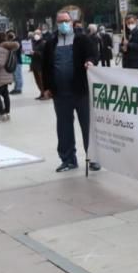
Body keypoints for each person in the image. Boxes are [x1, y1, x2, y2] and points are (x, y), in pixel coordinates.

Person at [41, 11, 98, 172]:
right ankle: (68, 159)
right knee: (64, 127)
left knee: (87, 125)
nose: (63, 24)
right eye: (60, 21)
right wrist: (46, 88)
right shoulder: (50, 43)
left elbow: (93, 55)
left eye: (66, 20)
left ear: (72, 22)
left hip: (81, 91)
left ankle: (93, 158)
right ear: (56, 24)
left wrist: (90, 62)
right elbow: (45, 68)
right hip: (60, 94)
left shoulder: (82, 40)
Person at [0, 31, 20, 123]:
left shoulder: (1, 49)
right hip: (7, 74)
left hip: (0, 75)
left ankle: (2, 114)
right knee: (5, 94)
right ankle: (7, 114)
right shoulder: (8, 48)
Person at [29, 31, 48, 99]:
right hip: (34, 64)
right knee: (37, 81)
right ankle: (41, 93)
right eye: (35, 34)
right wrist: (28, 52)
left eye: (38, 34)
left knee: (42, 81)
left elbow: (44, 55)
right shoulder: (33, 43)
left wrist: (35, 53)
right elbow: (31, 54)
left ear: (41, 35)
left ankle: (46, 94)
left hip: (41, 65)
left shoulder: (43, 43)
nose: (36, 35)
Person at [6, 31, 24, 95]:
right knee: (15, 76)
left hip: (17, 61)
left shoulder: (17, 42)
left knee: (18, 75)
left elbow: (16, 49)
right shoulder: (13, 41)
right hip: (14, 61)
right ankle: (16, 88)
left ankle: (18, 89)